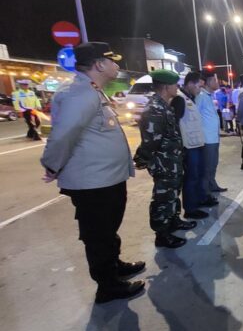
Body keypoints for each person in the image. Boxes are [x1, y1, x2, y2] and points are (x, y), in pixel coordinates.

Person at [40, 42, 144, 304]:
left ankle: (114, 267)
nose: (116, 65)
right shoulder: (79, 93)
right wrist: (53, 165)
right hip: (92, 182)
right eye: (112, 61)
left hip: (104, 178)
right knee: (98, 234)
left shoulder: (91, 90)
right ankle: (107, 286)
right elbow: (64, 134)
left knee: (107, 229)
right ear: (99, 64)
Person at [134, 69, 195, 250]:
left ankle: (173, 221)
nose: (178, 87)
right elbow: (150, 141)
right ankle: (162, 234)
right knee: (163, 198)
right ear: (167, 86)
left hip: (172, 162)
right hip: (163, 163)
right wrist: (142, 159)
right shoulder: (154, 109)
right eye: (175, 84)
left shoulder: (164, 105)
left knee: (172, 195)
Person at [170, 72, 214, 218]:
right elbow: (174, 124)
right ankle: (190, 209)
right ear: (189, 83)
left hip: (197, 144)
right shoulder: (179, 99)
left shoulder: (190, 98)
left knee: (199, 174)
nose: (199, 89)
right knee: (191, 177)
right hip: (189, 147)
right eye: (198, 86)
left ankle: (200, 200)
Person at [197, 72, 227, 199]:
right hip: (207, 139)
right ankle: (205, 193)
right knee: (207, 166)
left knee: (213, 164)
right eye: (215, 80)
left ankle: (212, 184)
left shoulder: (209, 96)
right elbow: (196, 116)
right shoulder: (201, 96)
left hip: (214, 137)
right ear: (208, 82)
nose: (217, 82)